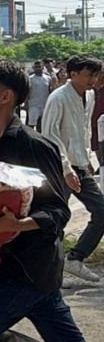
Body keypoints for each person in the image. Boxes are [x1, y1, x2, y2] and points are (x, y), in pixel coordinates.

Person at [0, 59, 85, 342]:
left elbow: (58, 211)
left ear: (6, 96)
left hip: (29, 268)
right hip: (9, 265)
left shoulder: (32, 145)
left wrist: (16, 224)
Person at [42, 55, 104, 283]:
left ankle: (75, 258)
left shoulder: (89, 95)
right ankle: (51, 272)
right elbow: (50, 135)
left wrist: (86, 158)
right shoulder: (58, 98)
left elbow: (84, 129)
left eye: (95, 75)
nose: (93, 79)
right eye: (89, 74)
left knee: (101, 211)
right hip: (59, 168)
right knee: (56, 219)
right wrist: (66, 168)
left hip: (80, 165)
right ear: (73, 74)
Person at [27, 61, 52, 131]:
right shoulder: (30, 79)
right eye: (36, 67)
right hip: (33, 105)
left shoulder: (48, 78)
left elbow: (50, 90)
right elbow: (27, 92)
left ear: (43, 68)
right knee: (31, 124)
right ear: (33, 68)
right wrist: (26, 103)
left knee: (42, 124)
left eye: (39, 67)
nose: (38, 69)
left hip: (45, 104)